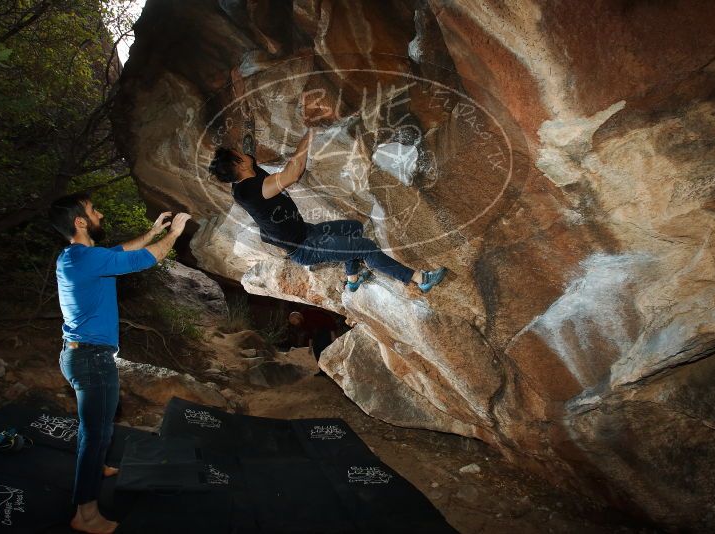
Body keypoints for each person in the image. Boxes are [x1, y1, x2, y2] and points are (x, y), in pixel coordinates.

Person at [48, 192, 191, 534]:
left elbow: (124, 250)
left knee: (97, 426)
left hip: (81, 354)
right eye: (93, 211)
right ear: (80, 222)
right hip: (91, 359)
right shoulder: (86, 259)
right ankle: (85, 514)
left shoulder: (79, 256)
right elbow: (145, 260)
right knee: (95, 434)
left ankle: (97, 469)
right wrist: (173, 235)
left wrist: (154, 229)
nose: (99, 214)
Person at [207, 128, 448, 293]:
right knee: (366, 247)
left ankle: (353, 280)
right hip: (304, 247)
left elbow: (248, 145)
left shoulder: (245, 173)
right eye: (238, 155)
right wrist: (309, 134)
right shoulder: (250, 190)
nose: (243, 153)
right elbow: (293, 173)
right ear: (239, 164)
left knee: (354, 228)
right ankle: (419, 279)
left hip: (304, 232)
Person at [288, 309, 339, 376]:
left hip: (326, 329)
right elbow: (310, 333)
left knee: (323, 349)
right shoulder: (303, 323)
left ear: (298, 317)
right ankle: (322, 371)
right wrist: (310, 347)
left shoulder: (311, 313)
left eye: (294, 321)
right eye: (293, 323)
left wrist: (333, 335)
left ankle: (332, 370)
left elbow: (328, 319)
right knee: (316, 349)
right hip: (317, 332)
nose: (295, 324)